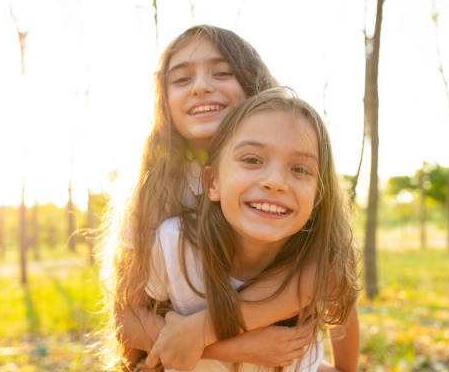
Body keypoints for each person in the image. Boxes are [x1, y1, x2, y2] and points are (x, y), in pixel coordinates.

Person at [96, 25, 351, 371]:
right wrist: (240, 348)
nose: (202, 86)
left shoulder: (292, 174)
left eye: (222, 73)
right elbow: (126, 317)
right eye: (182, 80)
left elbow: (333, 277)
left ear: (254, 84)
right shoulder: (151, 195)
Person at [142, 87, 360, 371]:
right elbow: (138, 326)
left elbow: (344, 314)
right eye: (252, 160)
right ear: (212, 183)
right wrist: (234, 349)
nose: (276, 181)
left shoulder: (321, 261)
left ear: (318, 197)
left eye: (300, 169)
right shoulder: (174, 245)